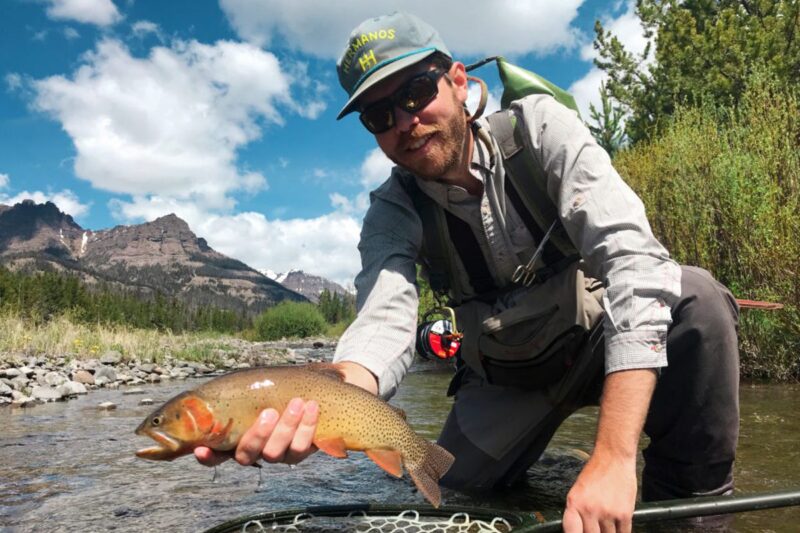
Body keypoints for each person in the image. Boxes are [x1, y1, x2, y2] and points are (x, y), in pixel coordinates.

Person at [196, 12, 740, 532]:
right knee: (450, 492)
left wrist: (615, 457)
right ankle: (559, 462)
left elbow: (634, 263)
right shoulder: (391, 211)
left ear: (457, 81)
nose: (405, 122)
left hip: (596, 343)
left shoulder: (541, 131)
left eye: (415, 92)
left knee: (695, 300)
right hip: (504, 379)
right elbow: (384, 320)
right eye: (380, 116)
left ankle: (690, 515)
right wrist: (329, 401)